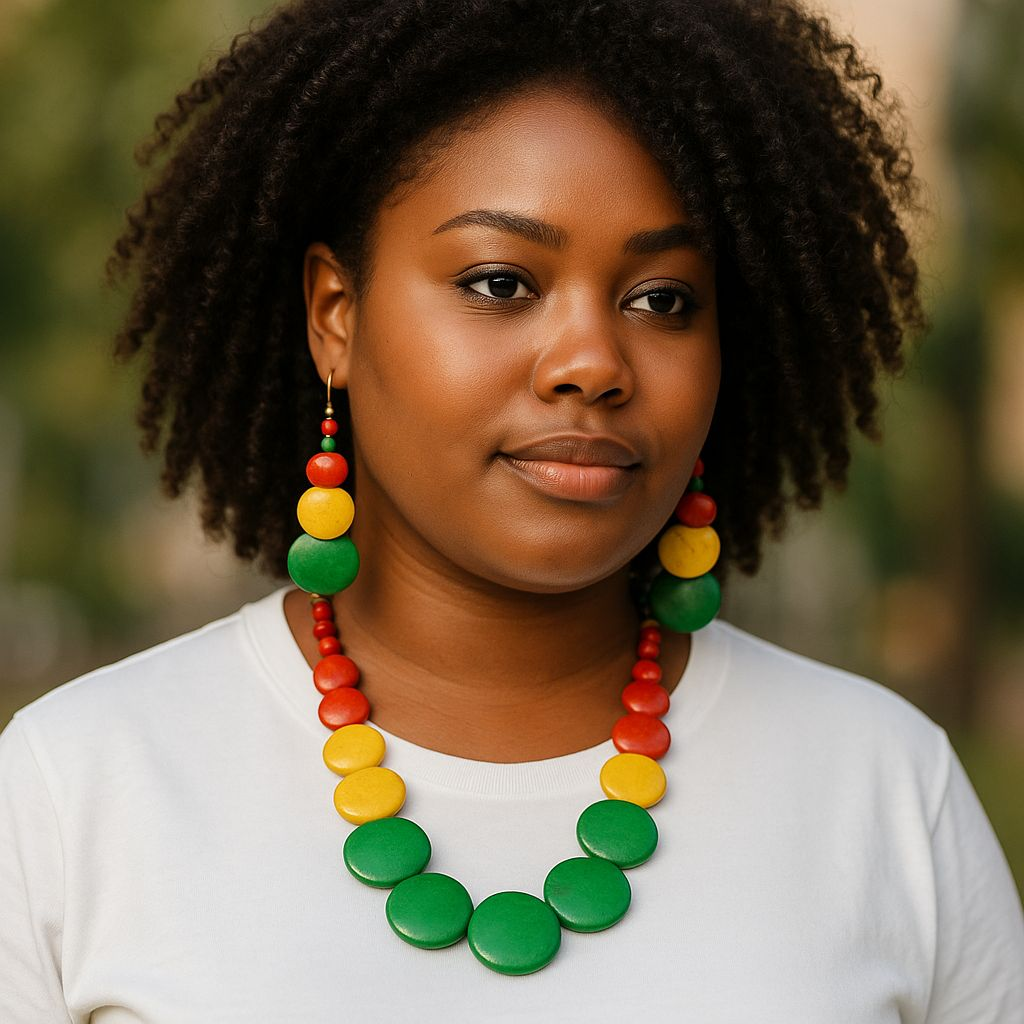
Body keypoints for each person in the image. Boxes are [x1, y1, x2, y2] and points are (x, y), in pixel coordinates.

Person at [2, 0, 1023, 1018]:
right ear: (334, 318)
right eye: (500, 282)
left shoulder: (886, 791)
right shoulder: (74, 793)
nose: (591, 361)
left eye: (663, 298)